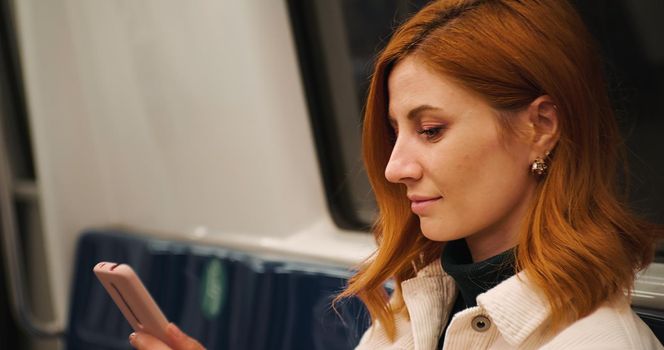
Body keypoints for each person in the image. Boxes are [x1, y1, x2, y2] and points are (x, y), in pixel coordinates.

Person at [129, 0, 663, 349]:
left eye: (430, 130)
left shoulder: (596, 342)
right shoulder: (414, 311)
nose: (394, 167)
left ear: (540, 127)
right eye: (395, 132)